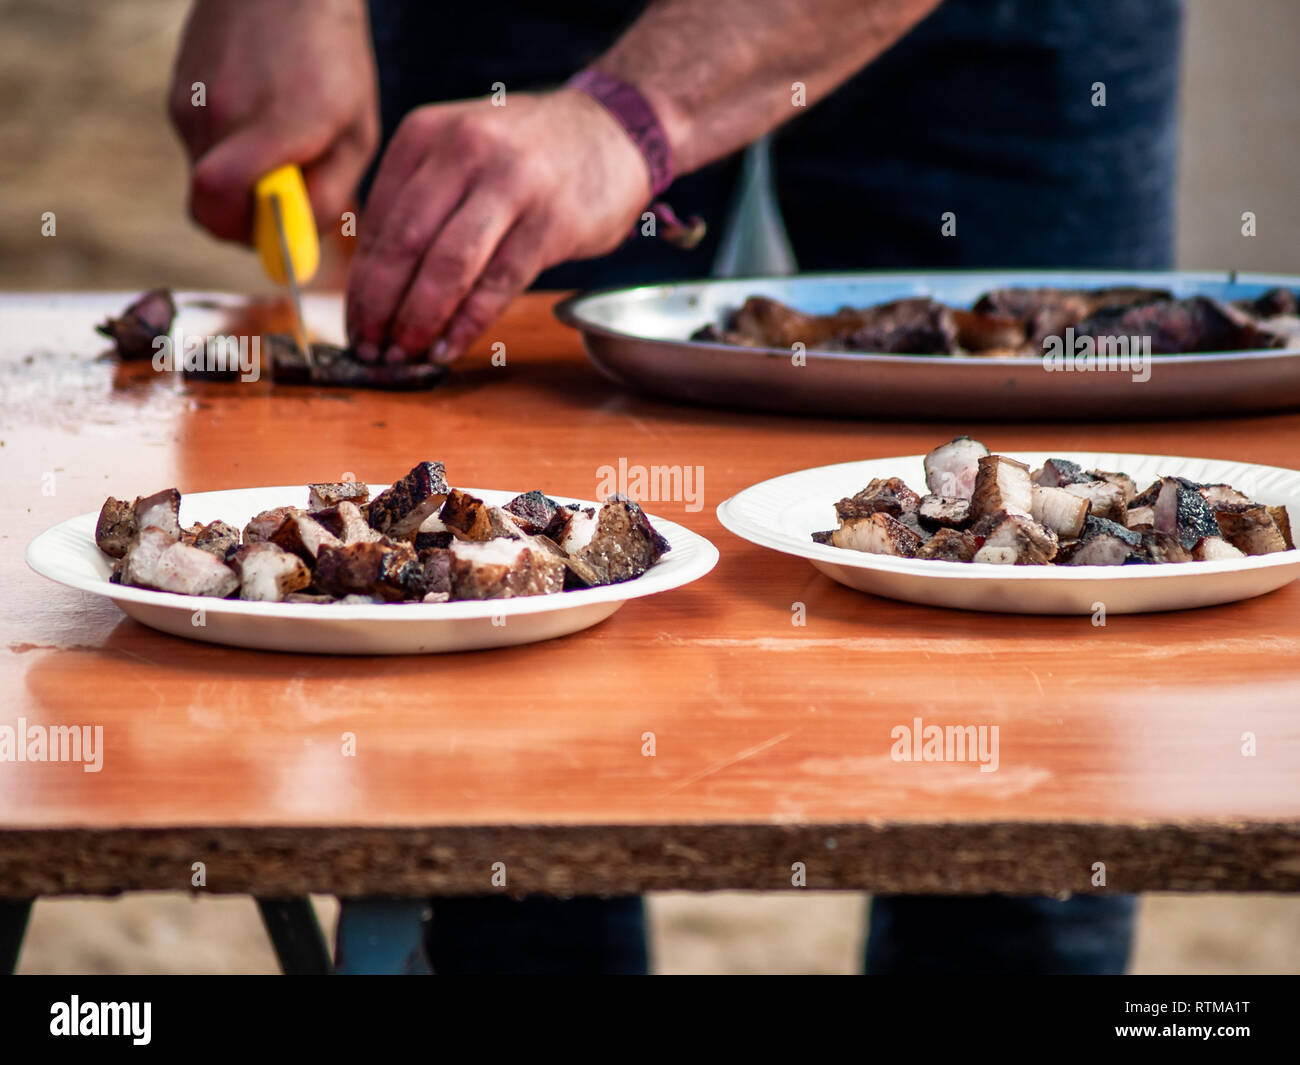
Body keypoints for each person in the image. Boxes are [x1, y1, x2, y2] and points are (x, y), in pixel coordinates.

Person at [170, 0, 1180, 974]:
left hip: (1005, 32)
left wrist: (631, 118)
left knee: (1044, 689)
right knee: (479, 681)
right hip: (511, 24)